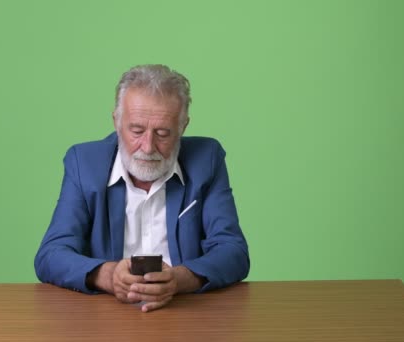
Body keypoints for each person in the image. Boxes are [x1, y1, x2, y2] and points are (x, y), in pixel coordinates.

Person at [34, 64, 249, 312]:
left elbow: (234, 252)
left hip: (185, 312)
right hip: (105, 315)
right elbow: (50, 255)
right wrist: (108, 275)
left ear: (183, 127)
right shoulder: (83, 163)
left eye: (163, 133)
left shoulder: (207, 160)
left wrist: (178, 280)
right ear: (116, 121)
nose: (148, 147)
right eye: (136, 130)